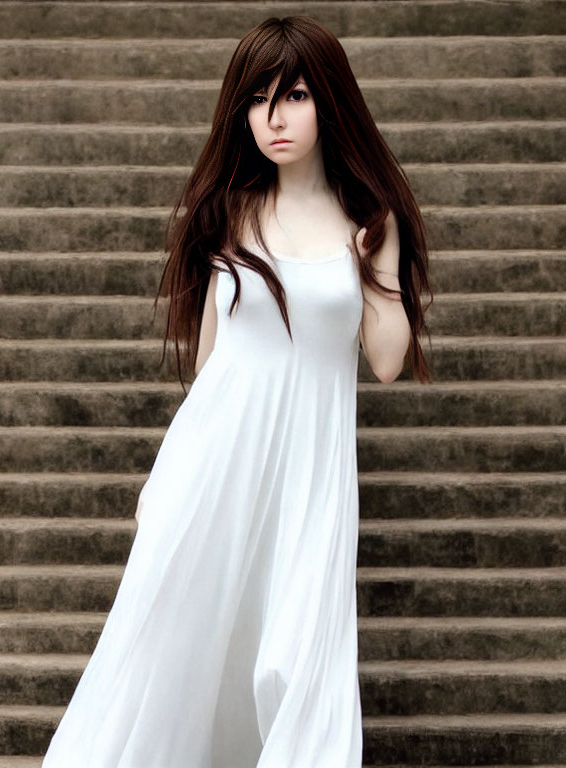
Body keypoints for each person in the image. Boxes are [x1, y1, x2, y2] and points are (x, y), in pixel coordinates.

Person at [41, 14, 432, 768]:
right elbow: (211, 370)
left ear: (331, 104)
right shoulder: (226, 216)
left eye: (292, 96)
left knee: (294, 649)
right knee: (175, 641)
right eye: (257, 100)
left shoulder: (367, 223)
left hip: (309, 474)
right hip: (216, 465)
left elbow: (386, 361)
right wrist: (165, 474)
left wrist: (372, 265)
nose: (274, 118)